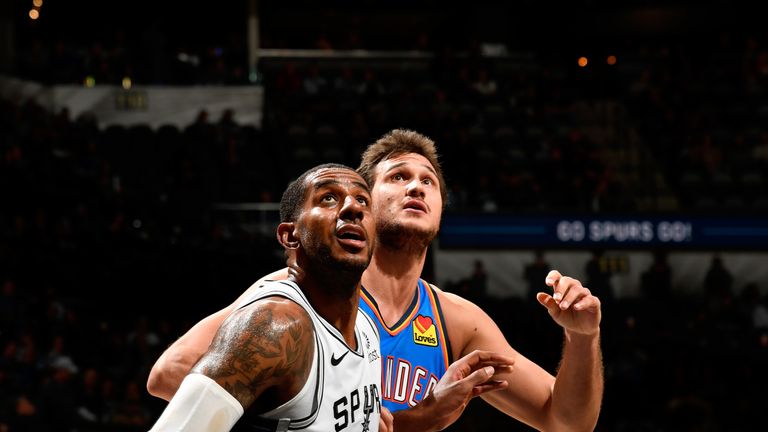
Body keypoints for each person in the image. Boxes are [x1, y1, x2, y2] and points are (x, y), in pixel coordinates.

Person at [147, 130, 603, 431]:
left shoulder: (456, 319)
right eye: (399, 176)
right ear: (364, 202)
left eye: (429, 182)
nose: (416, 187)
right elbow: (169, 375)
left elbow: (566, 422)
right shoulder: (303, 294)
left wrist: (582, 338)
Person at [150, 163, 385, 431]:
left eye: (363, 200)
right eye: (328, 198)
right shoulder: (274, 324)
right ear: (290, 236)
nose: (353, 208)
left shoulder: (367, 329)